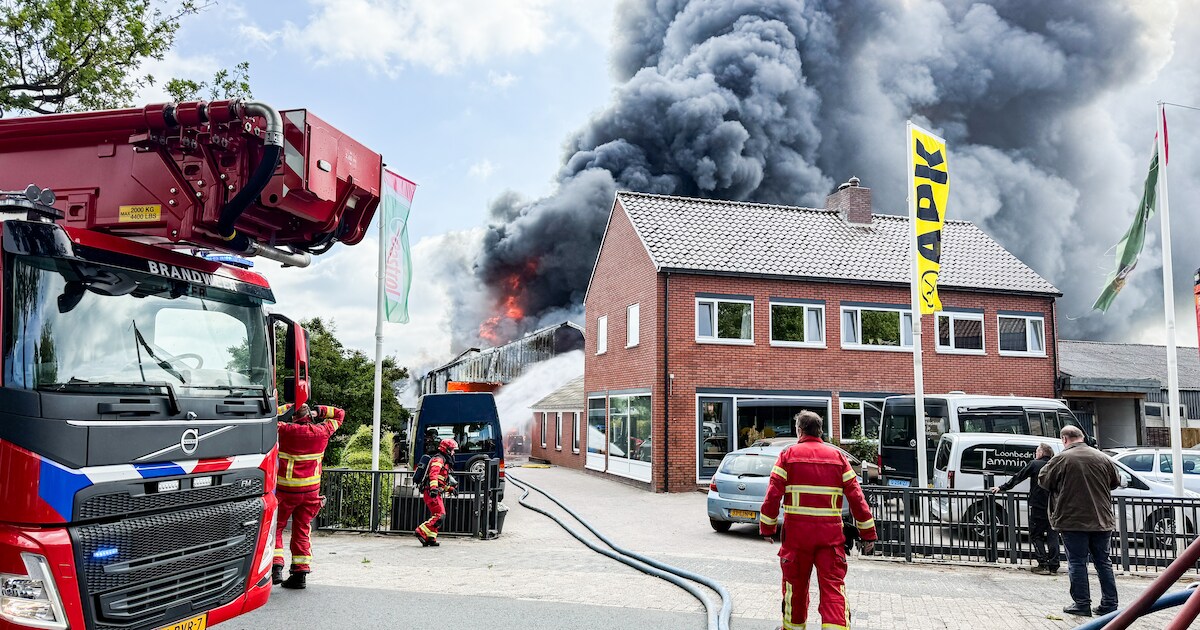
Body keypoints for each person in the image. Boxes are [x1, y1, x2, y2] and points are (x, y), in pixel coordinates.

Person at [760, 411, 877, 630]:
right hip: (830, 539)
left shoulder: (787, 456)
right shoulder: (838, 458)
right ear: (820, 430)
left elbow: (773, 494)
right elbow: (856, 498)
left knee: (795, 589)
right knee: (833, 589)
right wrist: (867, 533)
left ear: (799, 430)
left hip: (796, 540)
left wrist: (767, 528)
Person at [1038, 425, 1121, 617]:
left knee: (1076, 562)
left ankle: (1082, 603)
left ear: (1064, 439)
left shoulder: (1061, 459)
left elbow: (1044, 481)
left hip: (1072, 519)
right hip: (1101, 518)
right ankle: (1110, 604)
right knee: (1103, 562)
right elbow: (1115, 481)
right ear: (1082, 437)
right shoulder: (1102, 457)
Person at [273, 402, 345, 590]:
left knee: (276, 529)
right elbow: (339, 415)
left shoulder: (284, 430)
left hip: (285, 491)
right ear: (310, 416)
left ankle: (276, 567)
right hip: (310, 493)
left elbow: (269, 417)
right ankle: (300, 574)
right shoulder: (323, 431)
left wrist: (289, 405)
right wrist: (319, 410)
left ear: (294, 416)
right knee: (302, 530)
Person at [991, 443, 1059, 574]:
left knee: (1036, 534)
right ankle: (1054, 565)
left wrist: (1002, 487)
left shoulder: (1034, 464)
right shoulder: (1055, 464)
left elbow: (1019, 476)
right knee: (1053, 535)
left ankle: (1043, 563)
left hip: (1038, 504)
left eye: (1036, 451)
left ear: (1041, 453)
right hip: (1054, 505)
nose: (1035, 454)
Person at [416, 438, 459, 547]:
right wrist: (434, 488)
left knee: (437, 515)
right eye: (453, 450)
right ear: (447, 450)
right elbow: (433, 475)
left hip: (434, 491)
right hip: (431, 492)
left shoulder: (444, 461)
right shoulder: (438, 460)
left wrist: (450, 489)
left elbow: (441, 481)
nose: (454, 452)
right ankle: (421, 531)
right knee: (440, 515)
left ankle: (431, 537)